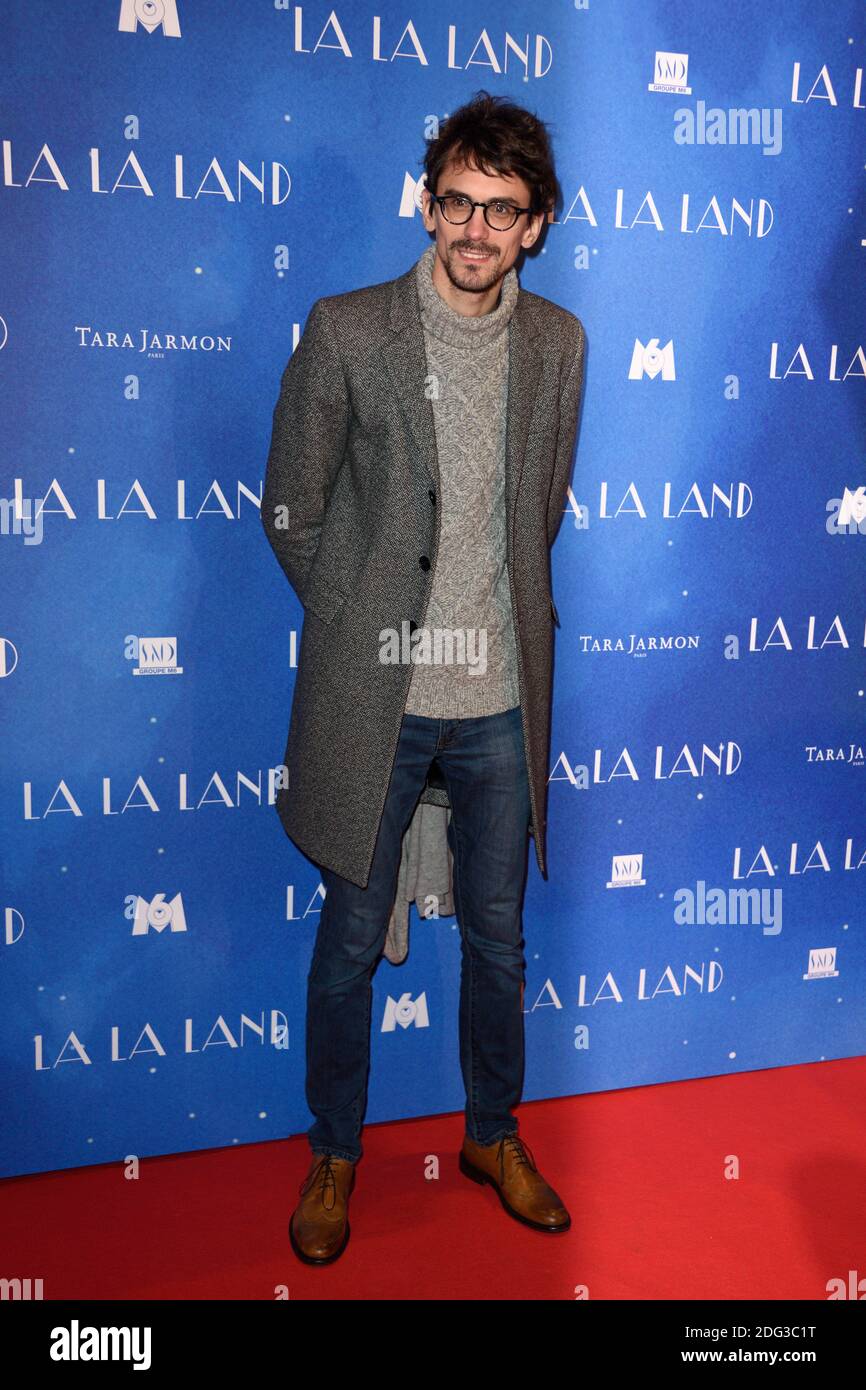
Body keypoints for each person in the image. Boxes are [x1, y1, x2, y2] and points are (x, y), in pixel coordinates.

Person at [262, 90, 587, 1265]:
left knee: (498, 941)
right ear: (427, 200)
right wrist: (364, 632)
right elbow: (289, 512)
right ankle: (335, 1153)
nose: (473, 229)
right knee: (349, 939)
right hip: (380, 698)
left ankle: (492, 1134)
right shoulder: (346, 330)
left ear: (536, 224)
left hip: (499, 699)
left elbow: (533, 515)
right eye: (456, 201)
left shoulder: (558, 346)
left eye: (501, 210)